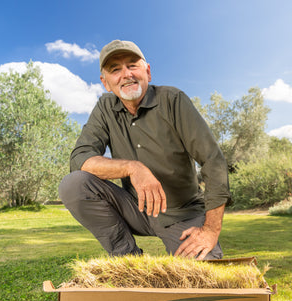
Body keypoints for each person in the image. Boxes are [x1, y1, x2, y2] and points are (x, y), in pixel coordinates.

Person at [58, 40, 231, 260]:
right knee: (74, 184)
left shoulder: (173, 100)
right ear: (105, 82)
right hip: (135, 209)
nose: (126, 74)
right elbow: (80, 160)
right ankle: (127, 259)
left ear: (147, 71)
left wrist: (211, 230)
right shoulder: (104, 108)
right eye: (115, 70)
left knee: (205, 278)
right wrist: (132, 168)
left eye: (132, 65)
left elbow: (213, 160)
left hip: (182, 214)